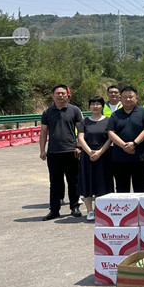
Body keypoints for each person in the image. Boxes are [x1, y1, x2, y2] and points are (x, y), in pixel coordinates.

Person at [39, 84, 83, 221]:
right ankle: (54, 210)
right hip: (53, 152)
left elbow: (81, 130)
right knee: (55, 182)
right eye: (57, 93)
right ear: (53, 96)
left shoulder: (74, 110)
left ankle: (74, 207)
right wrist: (42, 150)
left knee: (73, 181)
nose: (60, 95)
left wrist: (79, 146)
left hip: (71, 151)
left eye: (63, 93)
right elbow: (43, 132)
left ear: (67, 95)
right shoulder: (47, 112)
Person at [108, 86, 144, 193]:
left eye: (131, 97)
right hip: (120, 157)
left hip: (139, 156)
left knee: (140, 188)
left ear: (136, 98)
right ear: (121, 98)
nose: (128, 99)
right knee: (122, 189)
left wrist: (134, 143)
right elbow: (110, 132)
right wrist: (124, 145)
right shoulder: (115, 115)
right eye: (125, 97)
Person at [77, 96, 113, 221]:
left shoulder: (108, 120)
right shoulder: (84, 121)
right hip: (87, 156)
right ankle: (90, 211)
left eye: (98, 104)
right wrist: (89, 152)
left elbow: (110, 138)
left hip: (103, 155)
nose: (95, 106)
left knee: (101, 182)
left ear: (102, 106)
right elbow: (80, 138)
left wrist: (100, 152)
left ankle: (100, 210)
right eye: (92, 104)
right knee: (87, 182)